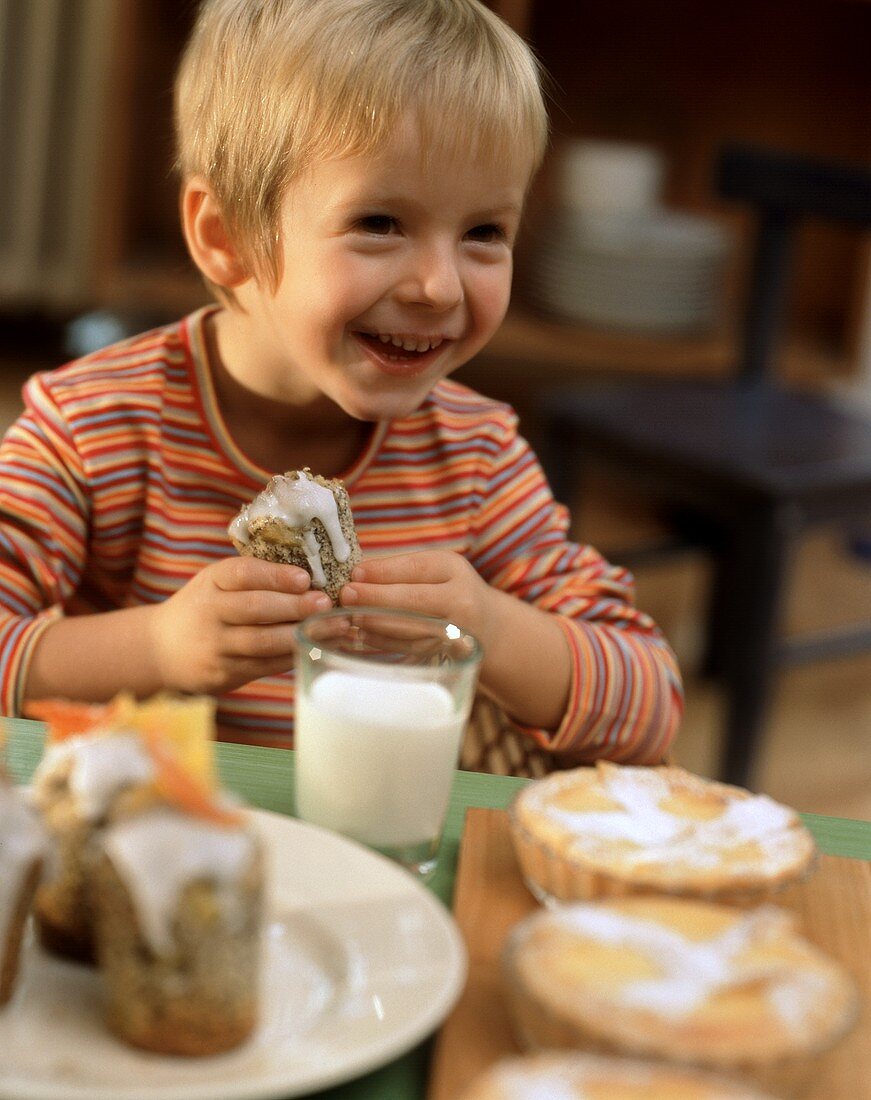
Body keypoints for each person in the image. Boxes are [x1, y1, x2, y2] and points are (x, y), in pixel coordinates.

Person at [0, 0, 682, 764]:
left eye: (483, 232)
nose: (439, 286)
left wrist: (489, 627)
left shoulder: (478, 457)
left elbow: (650, 703)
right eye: (380, 223)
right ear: (224, 239)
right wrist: (156, 646)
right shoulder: (93, 426)